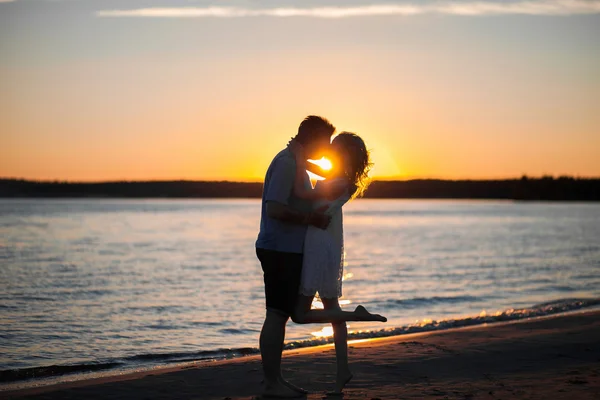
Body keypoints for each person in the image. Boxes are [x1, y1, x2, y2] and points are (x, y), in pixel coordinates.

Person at [289, 132, 385, 394]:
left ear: (342, 154)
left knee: (300, 314)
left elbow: (303, 192)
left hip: (319, 247)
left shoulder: (338, 183)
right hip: (326, 245)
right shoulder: (342, 179)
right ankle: (342, 370)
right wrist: (302, 159)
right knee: (331, 309)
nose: (328, 150)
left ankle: (356, 315)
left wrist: (297, 161)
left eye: (333, 148)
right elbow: (320, 171)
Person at [255, 115, 338, 398]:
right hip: (279, 249)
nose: (326, 148)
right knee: (276, 315)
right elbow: (274, 209)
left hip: (285, 249)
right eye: (324, 142)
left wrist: (309, 162)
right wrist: (310, 219)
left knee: (280, 316)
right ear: (312, 137)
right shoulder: (287, 163)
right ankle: (270, 385)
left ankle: (275, 381)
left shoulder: (295, 161)